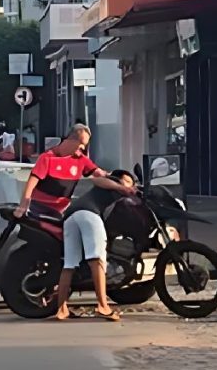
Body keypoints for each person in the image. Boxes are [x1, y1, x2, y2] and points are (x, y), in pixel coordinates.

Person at [55, 170, 137, 321]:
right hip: (88, 214)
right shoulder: (110, 184)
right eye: (127, 181)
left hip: (71, 216)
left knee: (69, 264)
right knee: (97, 260)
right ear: (117, 179)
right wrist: (122, 187)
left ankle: (61, 308)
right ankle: (103, 306)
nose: (130, 185)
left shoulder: (116, 191)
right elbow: (97, 179)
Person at [13, 124, 132, 219]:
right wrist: (23, 207)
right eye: (81, 144)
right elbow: (31, 183)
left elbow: (99, 174)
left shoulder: (81, 159)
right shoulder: (48, 158)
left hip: (60, 212)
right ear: (71, 139)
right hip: (38, 208)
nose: (83, 148)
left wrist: (120, 182)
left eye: (85, 145)